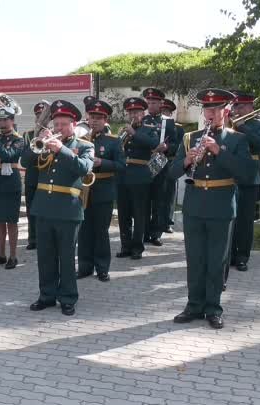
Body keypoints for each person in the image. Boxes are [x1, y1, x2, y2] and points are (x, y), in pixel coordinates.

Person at [169, 88, 254, 329]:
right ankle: (193, 305)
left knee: (217, 261)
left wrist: (219, 151)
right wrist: (186, 160)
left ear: (226, 111)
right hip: (194, 206)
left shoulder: (237, 139)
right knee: (195, 260)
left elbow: (247, 174)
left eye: (216, 108)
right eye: (208, 109)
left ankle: (213, 308)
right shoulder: (189, 138)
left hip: (221, 206)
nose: (211, 113)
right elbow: (171, 174)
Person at [21, 100, 94, 316]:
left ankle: (68, 298)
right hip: (43, 208)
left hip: (68, 211)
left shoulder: (84, 146)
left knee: (66, 256)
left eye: (64, 124)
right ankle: (47, 295)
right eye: (57, 124)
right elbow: (25, 162)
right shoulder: (43, 143)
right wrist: (37, 143)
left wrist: (61, 149)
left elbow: (83, 168)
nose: (59, 128)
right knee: (45, 256)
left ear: (73, 124)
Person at [77, 98, 125, 282]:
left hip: (103, 190)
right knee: (84, 230)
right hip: (83, 190)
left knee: (101, 231)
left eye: (98, 117)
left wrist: (101, 162)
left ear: (106, 120)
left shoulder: (113, 141)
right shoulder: (80, 141)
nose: (94, 120)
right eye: (92, 117)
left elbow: (121, 166)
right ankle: (84, 266)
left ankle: (102, 268)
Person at [228, 90, 260, 273]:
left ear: (251, 106)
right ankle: (227, 254)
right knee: (229, 217)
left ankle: (242, 257)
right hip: (229, 174)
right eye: (236, 106)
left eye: (242, 106)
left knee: (245, 219)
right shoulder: (228, 124)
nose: (238, 109)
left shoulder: (259, 124)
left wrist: (243, 126)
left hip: (249, 177)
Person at [116, 97, 159, 260]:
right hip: (123, 176)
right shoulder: (123, 130)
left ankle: (137, 248)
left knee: (139, 214)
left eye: (137, 112)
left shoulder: (150, 128)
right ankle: (125, 246)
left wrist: (134, 133)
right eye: (131, 112)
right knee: (123, 214)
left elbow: (154, 144)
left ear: (143, 113)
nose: (133, 115)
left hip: (140, 175)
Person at [0, 106, 26, 269]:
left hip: (10, 184)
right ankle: (1, 254)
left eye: (5, 119)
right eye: (0, 120)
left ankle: (13, 256)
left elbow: (8, 156)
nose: (1, 122)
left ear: (12, 120)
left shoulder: (19, 139)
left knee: (11, 221)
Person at [142, 88, 177, 246]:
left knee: (159, 199)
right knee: (143, 200)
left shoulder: (167, 121)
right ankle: (143, 232)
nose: (151, 105)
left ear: (161, 103)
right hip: (143, 164)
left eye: (154, 102)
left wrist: (167, 148)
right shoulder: (142, 119)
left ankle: (155, 233)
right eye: (148, 102)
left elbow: (176, 144)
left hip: (161, 164)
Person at [20, 102, 47, 250]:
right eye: (38, 115)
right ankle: (33, 238)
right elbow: (24, 161)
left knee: (48, 209)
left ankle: (45, 237)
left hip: (48, 176)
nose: (41, 118)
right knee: (32, 210)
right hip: (33, 175)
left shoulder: (54, 133)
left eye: (45, 116)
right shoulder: (28, 135)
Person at [160, 98, 185, 233]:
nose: (164, 113)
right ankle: (156, 221)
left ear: (171, 113)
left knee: (169, 193)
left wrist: (167, 148)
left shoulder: (178, 128)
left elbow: (180, 146)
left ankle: (167, 221)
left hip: (169, 161)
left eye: (166, 111)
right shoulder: (155, 124)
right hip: (154, 162)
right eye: (162, 111)